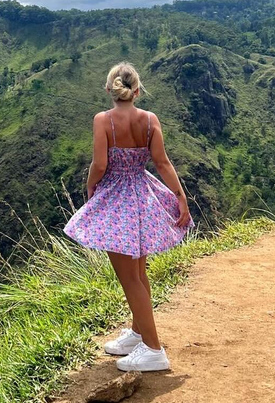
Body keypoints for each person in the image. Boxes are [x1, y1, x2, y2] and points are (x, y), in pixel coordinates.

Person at [63, 61, 194, 372]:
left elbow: (99, 164)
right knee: (139, 274)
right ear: (137, 90)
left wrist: (91, 187)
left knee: (129, 278)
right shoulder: (150, 120)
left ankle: (153, 349)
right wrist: (180, 197)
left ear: (109, 89)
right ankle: (139, 333)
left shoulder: (103, 120)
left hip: (118, 201)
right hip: (143, 197)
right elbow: (162, 163)